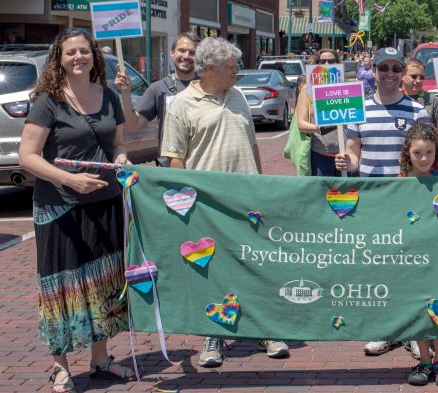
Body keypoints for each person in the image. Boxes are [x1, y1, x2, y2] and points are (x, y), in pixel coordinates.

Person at [160, 37, 289, 367]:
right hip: (208, 204)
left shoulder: (238, 97)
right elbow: (174, 159)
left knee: (254, 264)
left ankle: (263, 328)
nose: (237, 71)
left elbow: (251, 143)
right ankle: (212, 336)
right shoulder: (182, 104)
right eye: (231, 66)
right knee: (213, 270)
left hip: (247, 199)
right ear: (209, 69)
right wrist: (187, 202)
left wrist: (260, 185)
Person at [19, 28, 135, 393]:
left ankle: (100, 358)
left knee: (104, 280)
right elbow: (28, 157)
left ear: (93, 56)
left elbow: (117, 141)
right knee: (62, 286)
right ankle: (60, 366)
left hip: (104, 202)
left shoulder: (109, 96)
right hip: (59, 208)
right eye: (71, 53)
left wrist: (120, 158)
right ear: (60, 59)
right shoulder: (48, 101)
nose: (78, 58)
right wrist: (70, 181)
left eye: (84, 51)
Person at [336, 47, 431, 356]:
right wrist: (345, 161)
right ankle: (387, 329)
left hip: (408, 203)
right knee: (380, 267)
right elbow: (353, 153)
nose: (389, 73)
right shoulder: (356, 109)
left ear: (402, 73)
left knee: (412, 267)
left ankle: (416, 331)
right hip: (373, 200)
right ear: (373, 71)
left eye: (395, 68)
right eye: (383, 68)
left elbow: (427, 158)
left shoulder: (418, 111)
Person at [400, 123, 438, 386]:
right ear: (407, 153)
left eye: (430, 153)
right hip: (412, 258)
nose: (424, 159)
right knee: (419, 308)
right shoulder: (398, 184)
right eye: (418, 153)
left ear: (437, 152)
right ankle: (424, 360)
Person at [118, 33, 199, 165]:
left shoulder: (209, 86)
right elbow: (133, 126)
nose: (186, 56)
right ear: (172, 53)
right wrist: (126, 93)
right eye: (181, 51)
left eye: (192, 52)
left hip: (201, 167)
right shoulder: (158, 89)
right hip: (168, 168)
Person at [295, 48, 344, 176]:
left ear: (337, 63)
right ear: (317, 63)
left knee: (345, 195)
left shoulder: (345, 88)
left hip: (344, 156)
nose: (327, 65)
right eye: (322, 61)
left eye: (331, 61)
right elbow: (301, 123)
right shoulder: (307, 90)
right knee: (322, 195)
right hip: (320, 155)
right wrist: (321, 127)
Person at [402, 58, 438, 144]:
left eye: (422, 77)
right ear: (403, 76)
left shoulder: (431, 99)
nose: (418, 80)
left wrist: (428, 145)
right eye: (414, 76)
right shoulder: (396, 97)